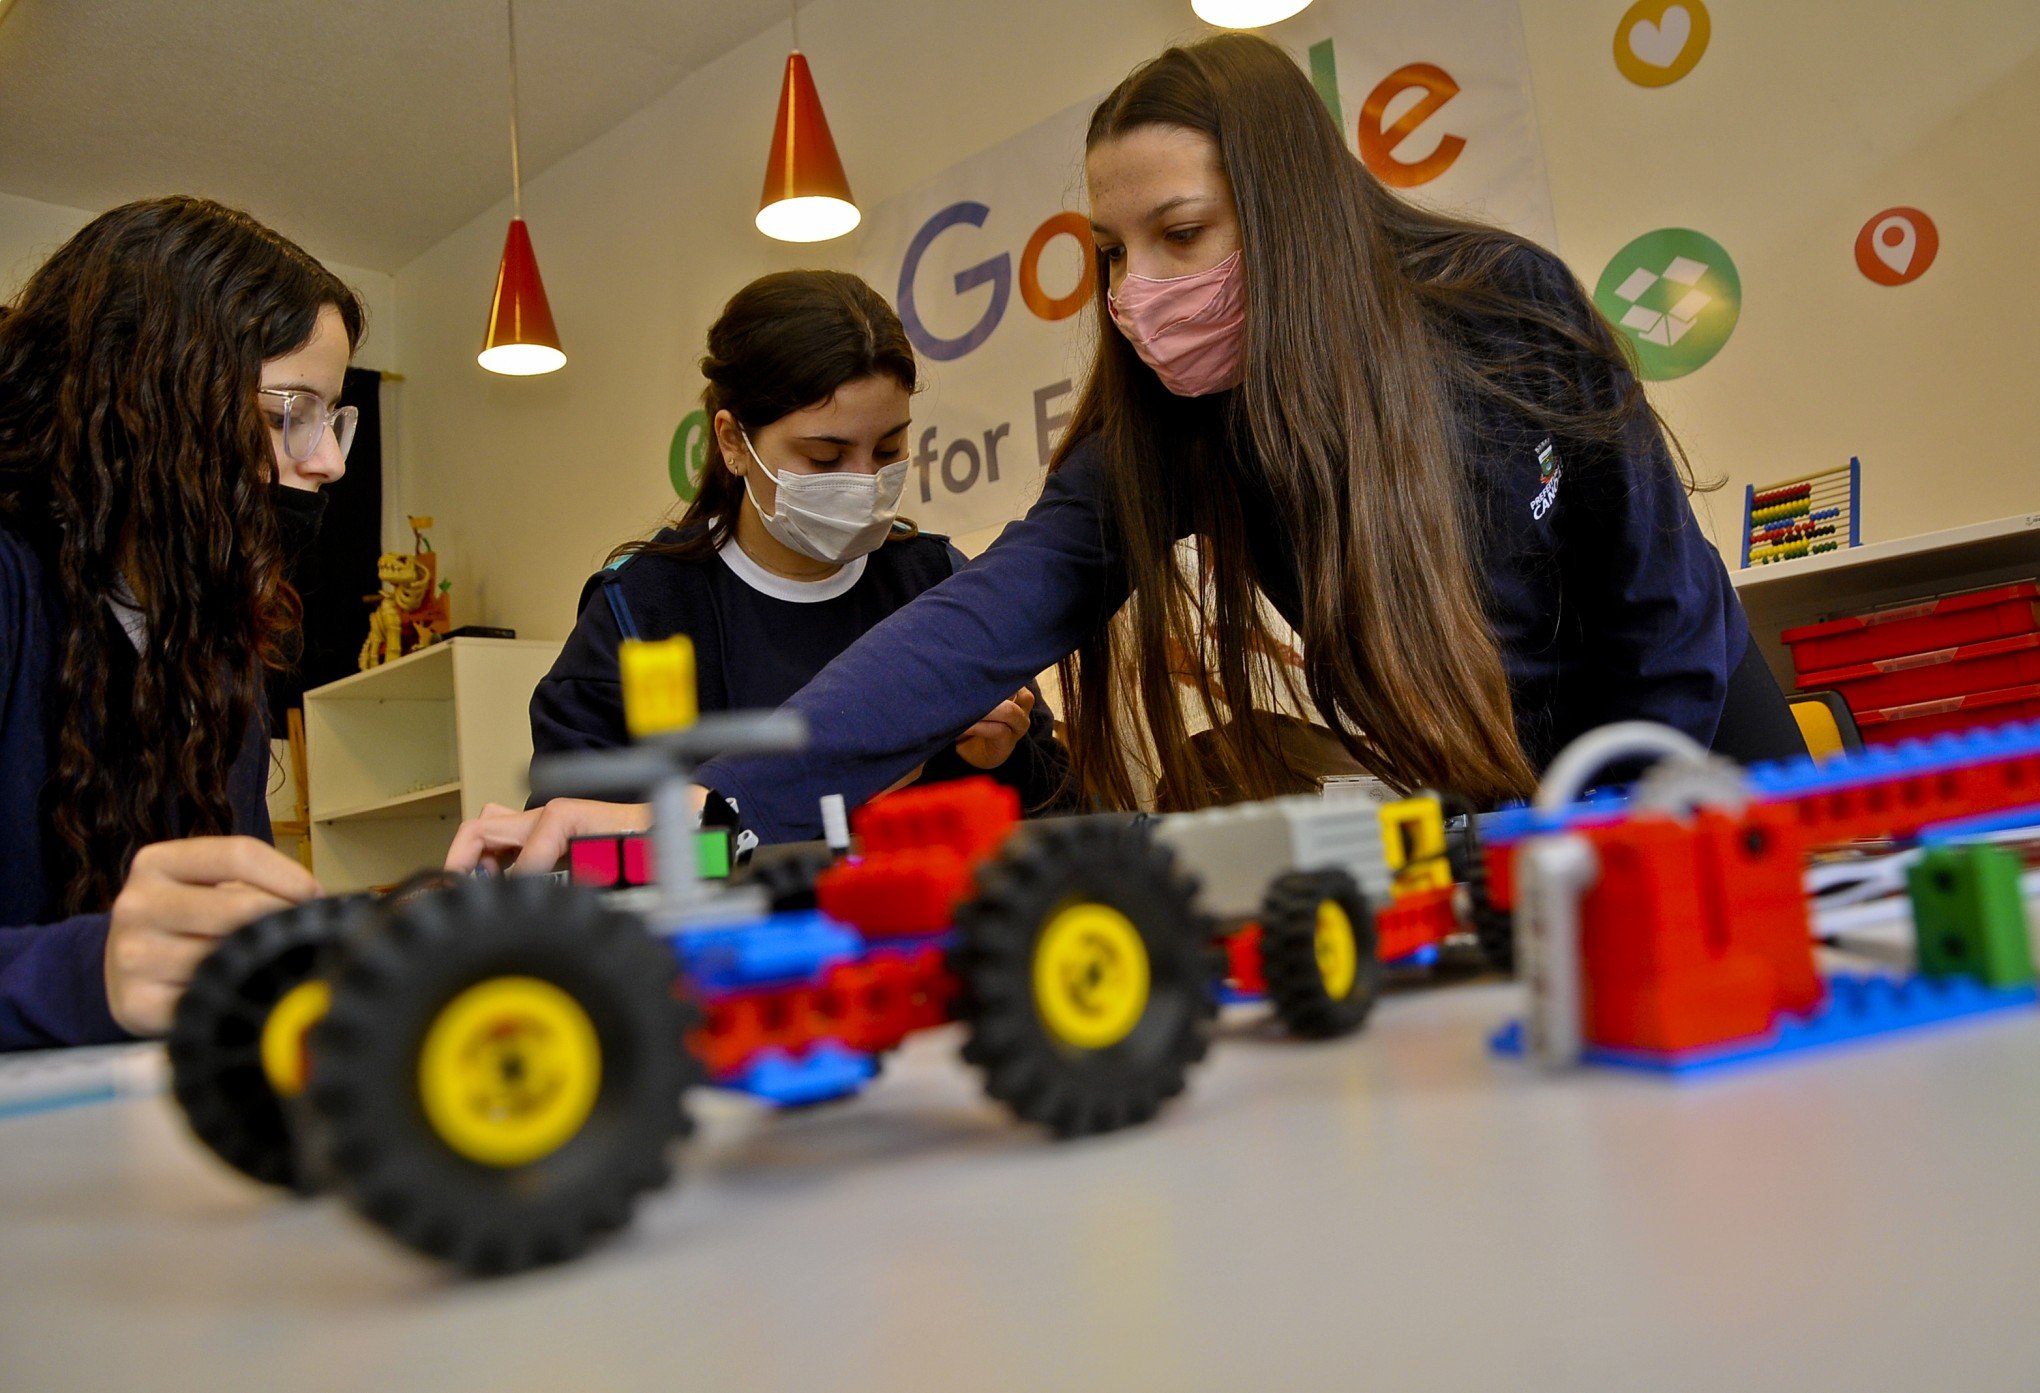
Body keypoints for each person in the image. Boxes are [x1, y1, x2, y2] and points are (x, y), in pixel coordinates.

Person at [666, 32, 1804, 846]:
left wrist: (1627, 831)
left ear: (1286, 207)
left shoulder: (1508, 310)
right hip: (1504, 802)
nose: (1136, 289)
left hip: (1695, 757)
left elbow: (1663, 606)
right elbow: (993, 609)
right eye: (1114, 249)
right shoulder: (1175, 424)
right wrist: (718, 807)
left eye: (1181, 233)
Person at [443, 270, 1069, 874]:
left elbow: (1063, 815)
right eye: (824, 457)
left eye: (887, 451)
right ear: (733, 442)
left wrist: (996, 762)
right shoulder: (644, 616)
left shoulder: (934, 584)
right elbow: (583, 860)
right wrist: (754, 836)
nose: (861, 481)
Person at [0, 196, 363, 1049]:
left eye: (334, 417)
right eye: (288, 414)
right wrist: (86, 974)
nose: (331, 460)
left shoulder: (217, 651)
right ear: (146, 399)